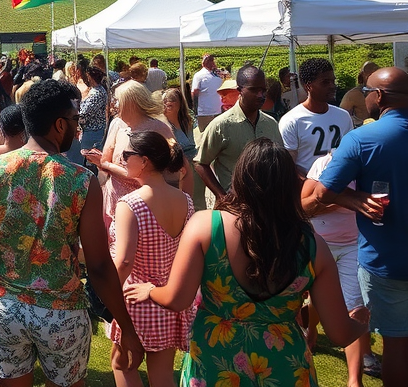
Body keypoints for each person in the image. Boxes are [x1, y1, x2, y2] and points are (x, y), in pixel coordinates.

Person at [126, 138, 367, 387]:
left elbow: (177, 299)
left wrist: (151, 290)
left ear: (240, 178)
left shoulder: (206, 226)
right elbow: (340, 334)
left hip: (215, 364)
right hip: (286, 369)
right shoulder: (314, 246)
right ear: (290, 185)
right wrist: (361, 322)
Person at [0, 79, 144, 387]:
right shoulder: (81, 180)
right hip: (61, 313)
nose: (77, 127)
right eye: (75, 120)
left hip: (6, 307)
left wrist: (11, 249)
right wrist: (126, 326)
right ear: (59, 125)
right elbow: (99, 266)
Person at [307, 66, 408, 387]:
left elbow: (322, 193)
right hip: (385, 260)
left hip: (386, 262)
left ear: (378, 97)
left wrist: (354, 199)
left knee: (396, 343)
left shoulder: (362, 139)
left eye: (366, 93)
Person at [109, 132, 193, 387]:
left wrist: (107, 296)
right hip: (167, 299)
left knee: (122, 365)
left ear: (144, 161)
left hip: (136, 300)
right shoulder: (185, 200)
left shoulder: (130, 204)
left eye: (127, 155)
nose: (122, 159)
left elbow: (124, 261)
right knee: (162, 377)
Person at [302, 151, 373, 387]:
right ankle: (312, 329)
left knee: (355, 306)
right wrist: (340, 200)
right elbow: (303, 205)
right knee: (317, 298)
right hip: (319, 242)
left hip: (354, 245)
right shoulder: (324, 163)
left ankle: (354, 381)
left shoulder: (369, 167)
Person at [83, 80, 177, 231]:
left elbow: (175, 166)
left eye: (117, 100)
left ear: (130, 103)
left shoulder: (158, 128)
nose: (114, 105)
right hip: (115, 198)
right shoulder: (116, 123)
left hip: (147, 201)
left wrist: (108, 166)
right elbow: (105, 160)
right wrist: (106, 164)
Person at [193, 65, 281, 206]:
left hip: (267, 205)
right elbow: (200, 163)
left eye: (263, 90)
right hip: (236, 207)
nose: (260, 95)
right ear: (240, 90)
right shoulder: (221, 125)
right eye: (254, 90)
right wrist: (221, 196)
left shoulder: (271, 124)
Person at [280, 58, 354, 177]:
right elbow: (289, 165)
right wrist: (311, 185)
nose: (332, 86)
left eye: (333, 81)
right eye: (325, 82)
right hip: (306, 185)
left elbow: (350, 154)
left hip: (339, 183)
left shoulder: (343, 116)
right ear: (308, 86)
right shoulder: (291, 120)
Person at [69, 55, 108, 168]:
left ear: (90, 77)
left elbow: (84, 112)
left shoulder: (96, 94)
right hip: (93, 130)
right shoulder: (98, 90)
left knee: (88, 159)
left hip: (93, 131)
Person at [190, 53, 223, 139]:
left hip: (216, 111)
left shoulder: (217, 75)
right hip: (205, 112)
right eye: (209, 61)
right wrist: (195, 109)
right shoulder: (199, 75)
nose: (212, 63)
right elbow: (195, 93)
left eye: (212, 60)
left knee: (215, 137)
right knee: (207, 136)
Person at [340, 61, 380, 128]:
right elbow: (341, 117)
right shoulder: (353, 95)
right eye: (369, 75)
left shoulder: (384, 92)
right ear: (363, 75)